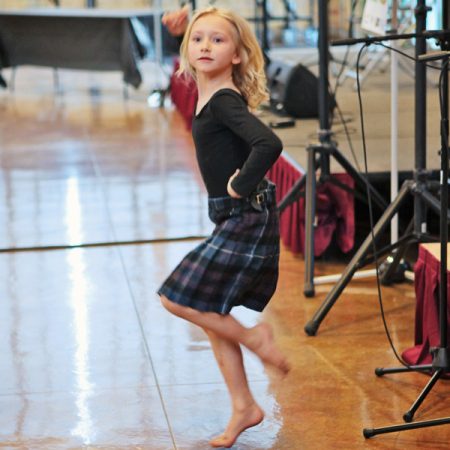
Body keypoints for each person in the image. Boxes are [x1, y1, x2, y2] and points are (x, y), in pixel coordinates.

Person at [157, 7, 290, 448]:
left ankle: (255, 337)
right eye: (199, 41)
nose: (206, 47)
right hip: (233, 216)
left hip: (247, 215)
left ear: (237, 54)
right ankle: (244, 406)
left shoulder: (225, 100)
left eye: (218, 41)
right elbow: (186, 58)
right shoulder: (206, 87)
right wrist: (185, 26)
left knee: (175, 299)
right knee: (212, 314)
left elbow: (269, 142)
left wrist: (241, 182)